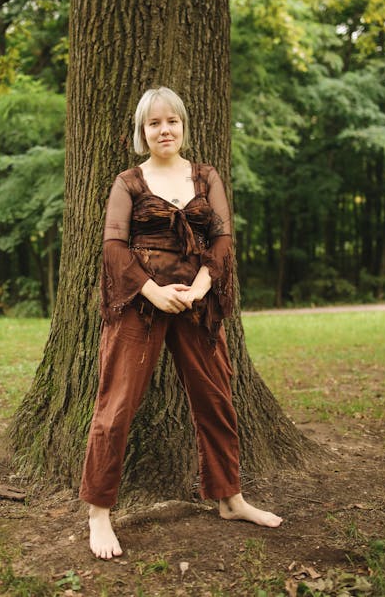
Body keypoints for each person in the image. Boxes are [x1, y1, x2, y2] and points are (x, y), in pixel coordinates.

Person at [79, 86, 282, 559]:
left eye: (172, 121)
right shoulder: (128, 182)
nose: (164, 129)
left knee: (216, 397)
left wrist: (200, 287)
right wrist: (151, 289)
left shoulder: (205, 176)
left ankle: (230, 497)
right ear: (142, 131)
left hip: (198, 302)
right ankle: (99, 513)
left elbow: (223, 236)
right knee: (116, 405)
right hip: (140, 302)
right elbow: (113, 246)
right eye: (154, 123)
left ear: (184, 126)